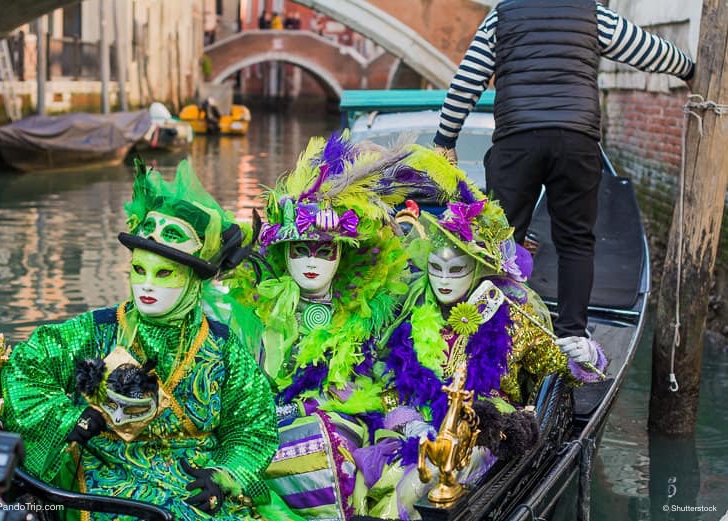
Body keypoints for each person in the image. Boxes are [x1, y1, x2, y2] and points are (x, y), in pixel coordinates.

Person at [0, 158, 280, 520]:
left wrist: (224, 476)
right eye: (138, 270)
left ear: (194, 280)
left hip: (194, 487)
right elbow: (24, 372)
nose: (146, 285)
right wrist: (71, 418)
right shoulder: (95, 329)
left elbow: (250, 429)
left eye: (164, 273)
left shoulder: (223, 346)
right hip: (109, 482)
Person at [352, 148, 606, 520]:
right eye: (435, 268)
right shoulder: (410, 308)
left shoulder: (515, 313)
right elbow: (388, 379)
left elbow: (556, 368)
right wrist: (414, 424)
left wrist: (587, 355)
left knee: (440, 469)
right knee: (390, 482)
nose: (441, 279)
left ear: (477, 270)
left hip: (484, 427)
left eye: (455, 270)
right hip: (414, 423)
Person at [433, 0, 695, 357]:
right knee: (575, 241)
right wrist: (691, 69)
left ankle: (493, 330)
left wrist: (445, 140)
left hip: (517, 142)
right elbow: (647, 50)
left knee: (501, 239)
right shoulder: (590, 13)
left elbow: (467, 81)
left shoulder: (503, 14)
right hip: (576, 141)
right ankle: (573, 334)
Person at [210, 133, 422, 520]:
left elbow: (388, 380)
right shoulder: (261, 309)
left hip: (344, 423)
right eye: (299, 250)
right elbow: (243, 377)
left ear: (342, 256)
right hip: (267, 420)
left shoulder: (369, 309)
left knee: (325, 442)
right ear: (282, 254)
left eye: (324, 250)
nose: (311, 261)